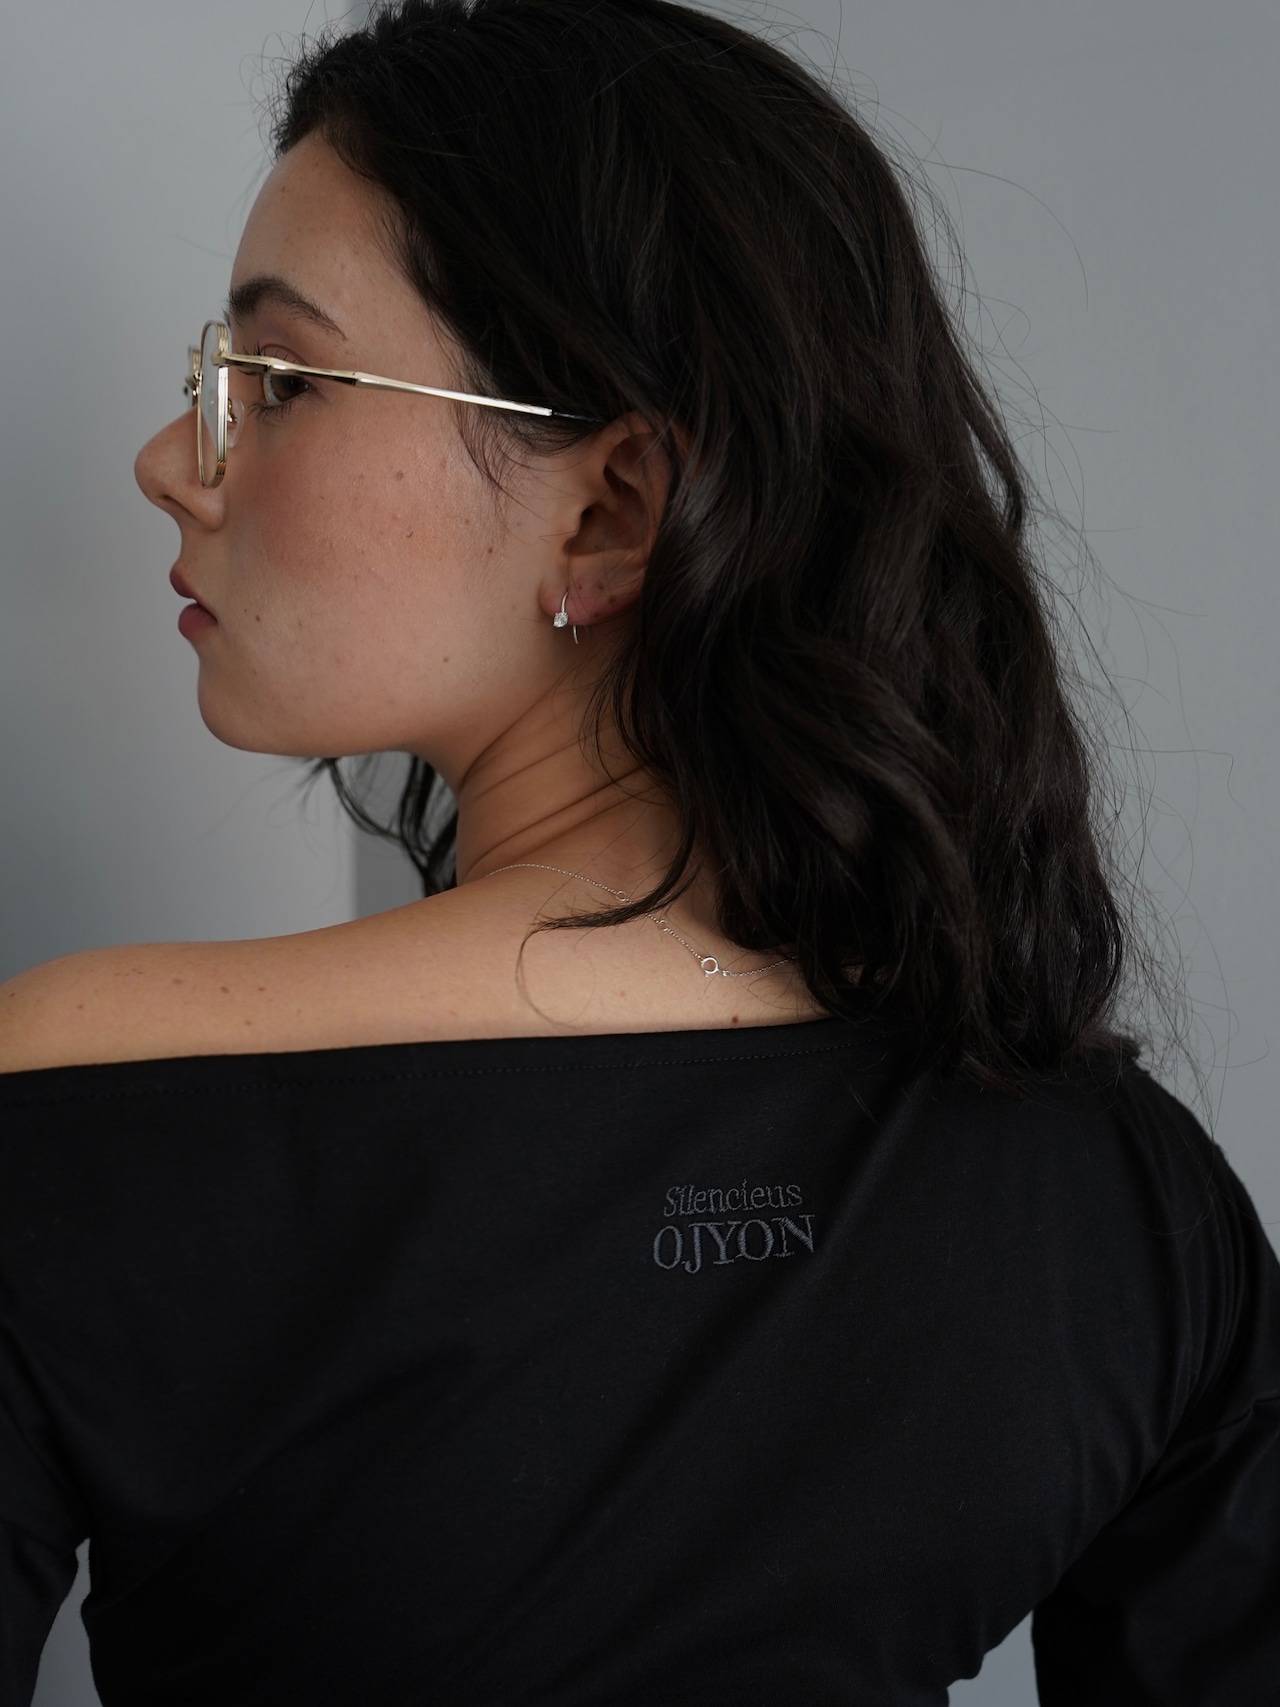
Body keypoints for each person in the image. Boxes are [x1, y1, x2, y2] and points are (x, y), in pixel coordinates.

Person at [1, 1, 1276, 1701]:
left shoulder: (73, 1107)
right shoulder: (1126, 1194)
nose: (175, 459)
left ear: (608, 510)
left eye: (280, 381)